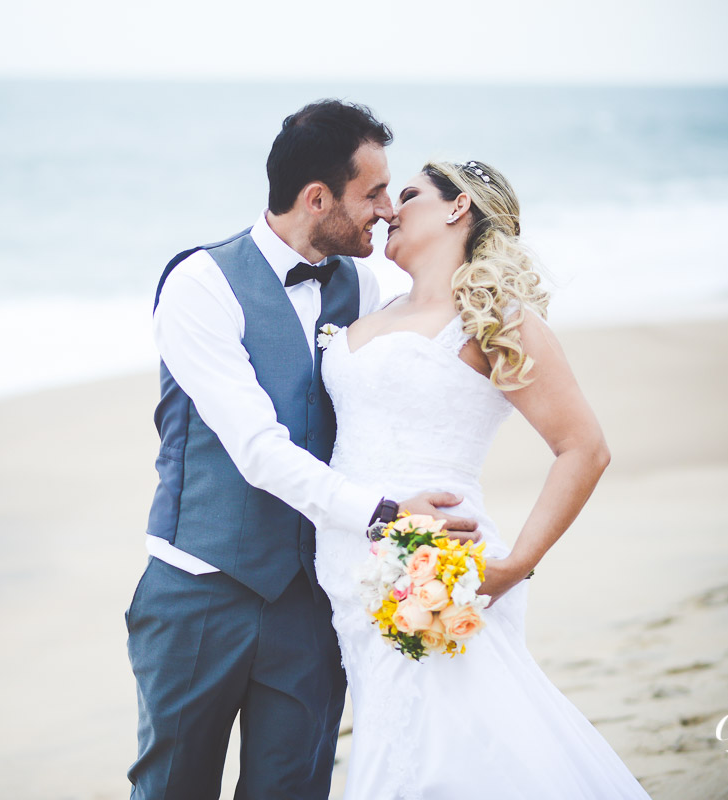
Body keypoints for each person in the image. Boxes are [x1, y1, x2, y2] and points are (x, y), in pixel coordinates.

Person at [125, 101, 477, 800]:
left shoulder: (370, 287)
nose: (387, 209)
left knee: (295, 790)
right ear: (317, 199)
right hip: (200, 589)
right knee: (173, 789)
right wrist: (387, 514)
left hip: (314, 599)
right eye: (372, 193)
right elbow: (258, 450)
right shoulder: (201, 286)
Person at [314, 159, 654, 798]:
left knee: (446, 755)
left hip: (434, 572)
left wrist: (516, 564)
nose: (389, 208)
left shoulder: (494, 318)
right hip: (347, 577)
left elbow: (584, 448)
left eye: (407, 195)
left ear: (457, 207)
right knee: (401, 742)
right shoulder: (374, 307)